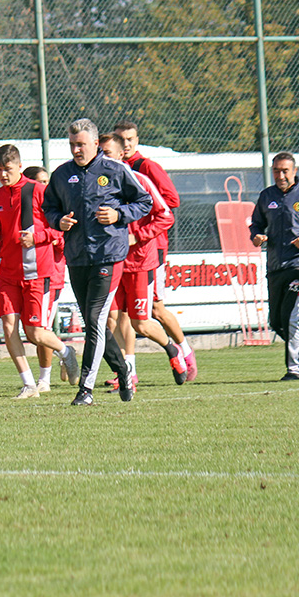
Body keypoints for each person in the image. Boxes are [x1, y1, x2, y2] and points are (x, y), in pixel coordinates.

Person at [43, 118, 151, 406]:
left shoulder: (116, 170)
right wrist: (58, 221)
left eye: (81, 144)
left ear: (95, 144)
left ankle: (86, 390)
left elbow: (144, 202)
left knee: (93, 320)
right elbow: (48, 208)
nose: (76, 149)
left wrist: (119, 215)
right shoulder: (62, 174)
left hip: (109, 255)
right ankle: (123, 369)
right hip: (77, 257)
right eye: (72, 145)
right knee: (97, 325)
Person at [0, 144, 79, 399]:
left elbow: (61, 228)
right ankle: (28, 384)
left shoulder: (39, 191)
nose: (3, 175)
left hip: (38, 273)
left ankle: (66, 351)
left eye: (8, 169)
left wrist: (37, 236)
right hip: (8, 274)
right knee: (8, 328)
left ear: (18, 165)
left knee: (35, 332)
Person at [98, 134, 186, 387]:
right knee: (112, 318)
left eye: (108, 153)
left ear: (121, 155)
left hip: (139, 263)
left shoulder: (141, 181)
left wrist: (138, 236)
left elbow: (166, 216)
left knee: (141, 323)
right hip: (112, 262)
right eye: (100, 153)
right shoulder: (98, 184)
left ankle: (172, 349)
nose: (104, 159)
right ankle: (126, 372)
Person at [114, 120, 197, 380]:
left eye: (130, 139)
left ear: (137, 140)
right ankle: (127, 371)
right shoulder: (113, 170)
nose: (126, 144)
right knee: (121, 314)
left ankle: (184, 351)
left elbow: (170, 201)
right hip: (123, 252)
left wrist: (140, 220)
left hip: (151, 247)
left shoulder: (146, 167)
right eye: (121, 139)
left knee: (155, 309)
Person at [250, 152, 299, 381]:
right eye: (277, 171)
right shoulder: (267, 196)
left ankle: (293, 369)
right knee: (275, 321)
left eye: (285, 171)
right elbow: (256, 224)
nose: (281, 175)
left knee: (291, 316)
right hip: (275, 266)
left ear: (294, 172)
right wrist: (256, 236)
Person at [23, 165, 73, 389]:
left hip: (50, 275)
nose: (45, 187)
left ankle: (44, 378)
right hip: (25, 275)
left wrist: (50, 239)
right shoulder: (27, 208)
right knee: (33, 330)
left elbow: (64, 236)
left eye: (47, 182)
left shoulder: (54, 209)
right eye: (40, 182)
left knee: (40, 328)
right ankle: (63, 353)